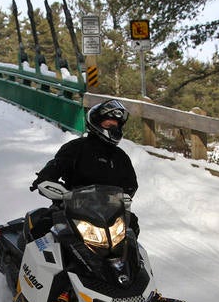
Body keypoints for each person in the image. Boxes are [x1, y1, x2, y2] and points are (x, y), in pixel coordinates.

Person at [28, 99, 140, 236]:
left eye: (116, 125)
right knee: (43, 227)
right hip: (71, 209)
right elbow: (55, 167)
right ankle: (27, 254)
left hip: (108, 213)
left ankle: (134, 259)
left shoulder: (121, 157)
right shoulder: (75, 148)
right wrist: (46, 179)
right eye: (109, 124)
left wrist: (120, 197)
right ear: (97, 123)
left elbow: (130, 185)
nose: (114, 128)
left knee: (132, 228)